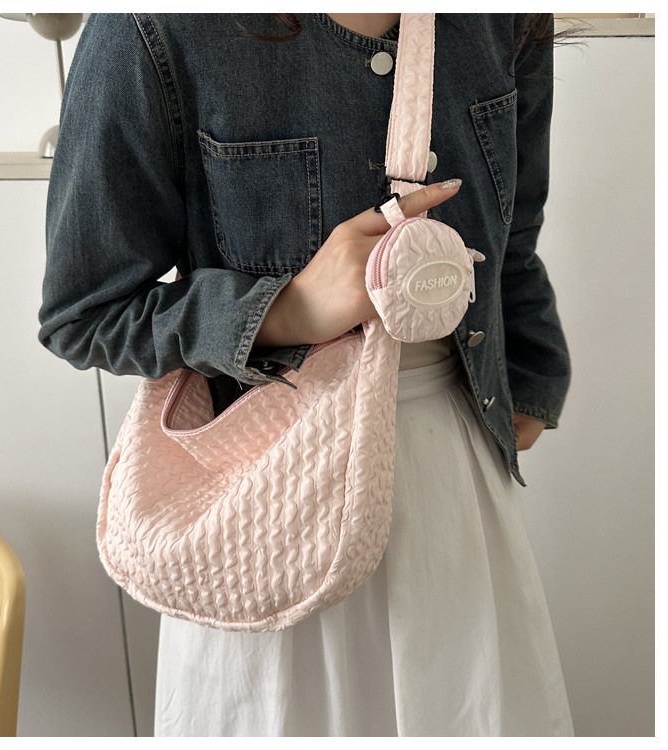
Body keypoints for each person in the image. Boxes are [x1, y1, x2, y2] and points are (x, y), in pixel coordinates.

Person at [39, 13, 574, 737]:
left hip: (455, 478)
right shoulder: (154, 27)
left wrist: (534, 377)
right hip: (264, 502)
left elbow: (514, 241)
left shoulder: (499, 18)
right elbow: (84, 313)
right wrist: (285, 310)